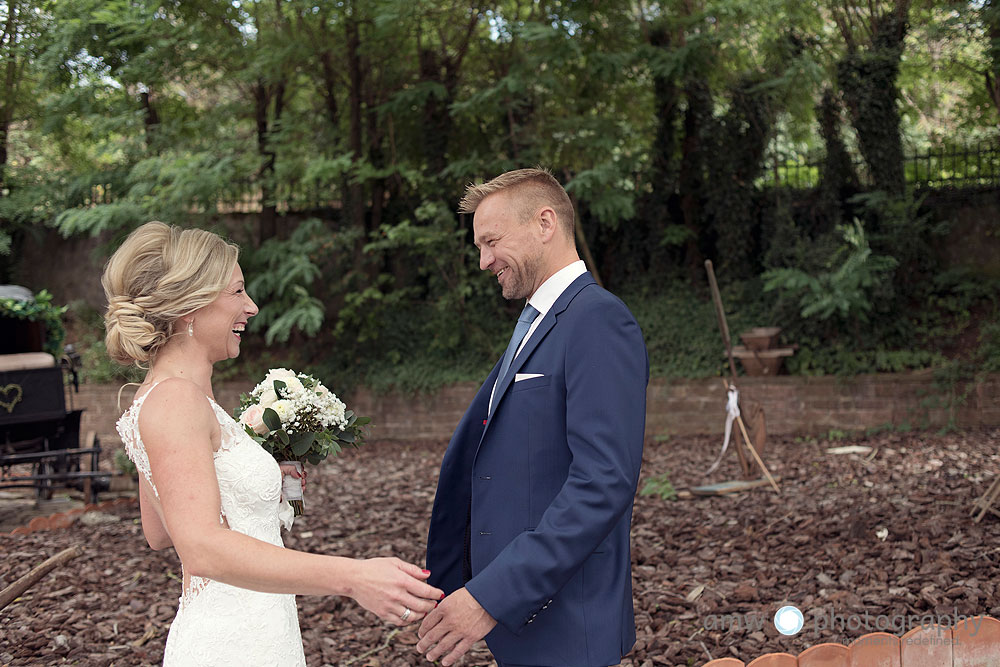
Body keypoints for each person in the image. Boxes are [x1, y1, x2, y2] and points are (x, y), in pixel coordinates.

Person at [103, 221, 442, 666]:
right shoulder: (176, 400)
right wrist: (354, 577)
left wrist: (259, 478)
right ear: (192, 307)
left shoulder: (164, 394)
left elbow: (161, 531)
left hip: (256, 624)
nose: (252, 306)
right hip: (233, 642)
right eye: (237, 292)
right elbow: (200, 547)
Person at [418, 168, 649, 666]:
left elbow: (603, 483)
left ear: (545, 223)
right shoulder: (540, 320)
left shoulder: (596, 320)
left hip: (566, 623)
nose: (483, 261)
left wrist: (492, 595)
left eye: (492, 241)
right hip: (526, 625)